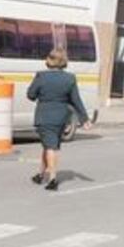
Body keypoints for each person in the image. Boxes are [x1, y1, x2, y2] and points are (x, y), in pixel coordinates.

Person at [27, 49, 91, 191]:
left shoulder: (41, 76)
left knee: (51, 147)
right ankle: (40, 175)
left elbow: (30, 95)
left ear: (50, 60)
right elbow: (76, 100)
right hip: (62, 117)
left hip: (45, 116)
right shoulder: (70, 78)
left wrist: (41, 94)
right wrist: (84, 119)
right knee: (49, 145)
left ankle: (52, 179)